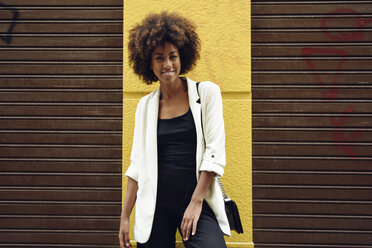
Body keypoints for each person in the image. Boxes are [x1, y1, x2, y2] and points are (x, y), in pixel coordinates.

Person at [119, 11, 230, 248]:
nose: (167, 64)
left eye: (173, 56)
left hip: (197, 199)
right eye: (159, 58)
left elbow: (214, 153)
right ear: (148, 63)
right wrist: (125, 217)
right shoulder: (145, 106)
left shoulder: (207, 93)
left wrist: (196, 202)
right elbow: (136, 165)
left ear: (182, 57)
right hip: (156, 206)